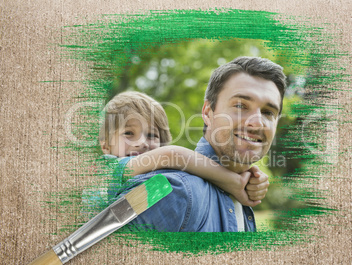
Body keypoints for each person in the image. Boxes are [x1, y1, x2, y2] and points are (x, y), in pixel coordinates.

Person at [112, 56, 286, 232]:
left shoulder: (240, 200)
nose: (257, 123)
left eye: (267, 112)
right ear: (207, 112)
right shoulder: (173, 190)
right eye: (241, 105)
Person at [98, 91, 269, 209]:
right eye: (128, 133)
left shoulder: (159, 176)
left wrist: (244, 172)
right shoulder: (109, 168)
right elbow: (174, 155)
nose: (141, 142)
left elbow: (193, 169)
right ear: (106, 146)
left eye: (152, 135)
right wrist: (234, 181)